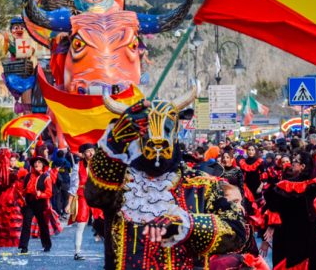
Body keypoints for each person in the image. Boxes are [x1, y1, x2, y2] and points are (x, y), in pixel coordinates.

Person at [85, 93, 247, 270]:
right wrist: (114, 143)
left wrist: (189, 225)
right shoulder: (122, 186)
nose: (157, 144)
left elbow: (237, 233)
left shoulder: (201, 186)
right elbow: (95, 196)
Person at [264, 150, 316, 270]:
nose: (292, 163)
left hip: (298, 234)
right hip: (300, 233)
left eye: (296, 161)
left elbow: (272, 203)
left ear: (303, 166)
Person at [17, 156, 53, 254]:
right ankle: (24, 246)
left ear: (43, 165)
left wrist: (41, 194)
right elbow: (22, 189)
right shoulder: (28, 176)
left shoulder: (46, 177)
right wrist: (22, 195)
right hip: (29, 202)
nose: (37, 164)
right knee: (26, 223)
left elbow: (49, 193)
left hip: (40, 203)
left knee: (42, 224)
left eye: (39, 163)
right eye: (35, 163)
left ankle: (47, 244)